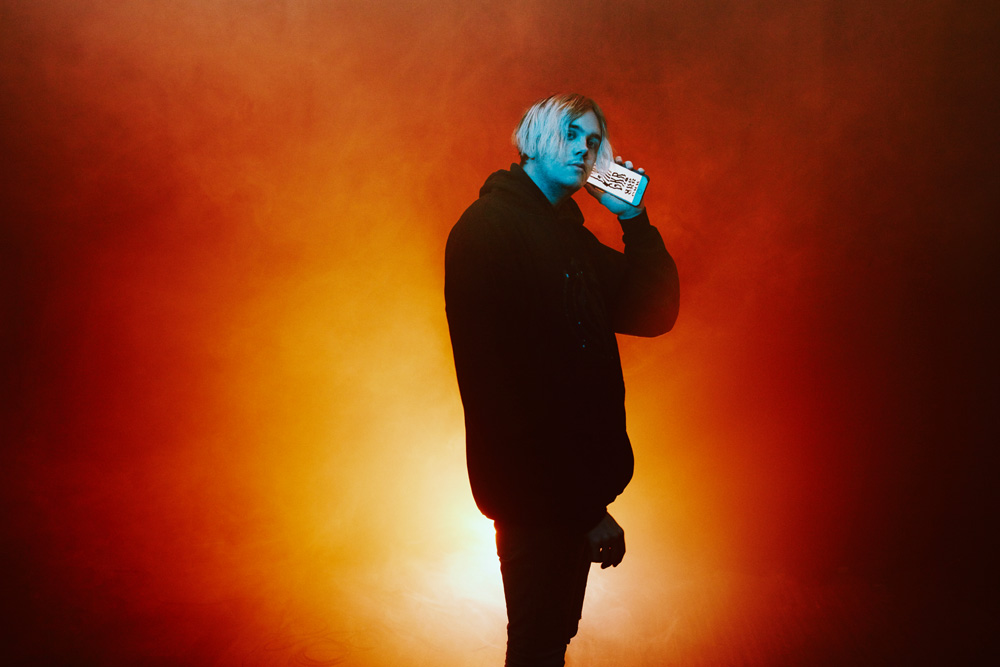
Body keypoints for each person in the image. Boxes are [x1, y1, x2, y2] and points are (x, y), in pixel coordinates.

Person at [444, 94, 680, 667]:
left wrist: (632, 217)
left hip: (569, 497)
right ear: (532, 137)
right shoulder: (488, 229)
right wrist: (584, 511)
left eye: (594, 141)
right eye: (571, 134)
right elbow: (503, 394)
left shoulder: (568, 237)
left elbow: (654, 311)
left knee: (550, 641)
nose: (585, 149)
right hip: (536, 499)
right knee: (538, 646)